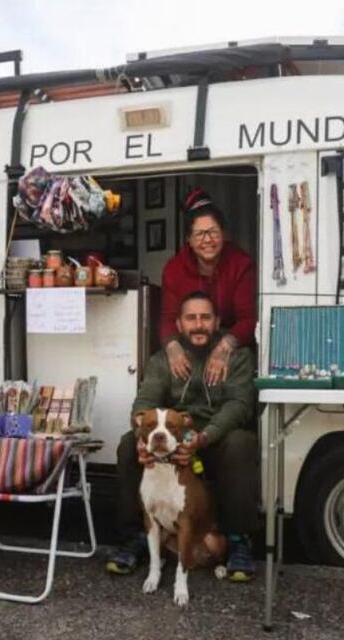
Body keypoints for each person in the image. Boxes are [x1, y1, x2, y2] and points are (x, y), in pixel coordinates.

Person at [106, 290, 259, 582]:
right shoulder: (163, 359)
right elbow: (144, 402)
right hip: (173, 433)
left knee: (241, 443)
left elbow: (239, 405)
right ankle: (134, 538)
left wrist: (203, 438)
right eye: (191, 318)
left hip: (214, 435)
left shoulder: (238, 357)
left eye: (205, 318)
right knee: (127, 444)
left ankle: (239, 541)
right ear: (178, 324)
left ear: (216, 323)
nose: (198, 324)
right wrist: (142, 435)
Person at [159, 188, 257, 386]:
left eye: (213, 232)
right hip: (190, 344)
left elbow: (248, 319)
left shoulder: (241, 264)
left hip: (231, 343)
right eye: (200, 234)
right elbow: (168, 319)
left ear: (224, 233)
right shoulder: (174, 269)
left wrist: (224, 348)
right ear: (189, 239)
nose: (207, 240)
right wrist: (172, 347)